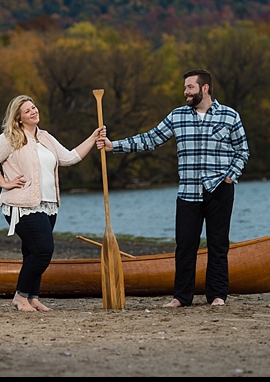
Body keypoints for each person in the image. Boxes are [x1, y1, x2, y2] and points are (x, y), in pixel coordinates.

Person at [96, 68, 249, 307]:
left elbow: (242, 151)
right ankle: (181, 297)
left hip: (220, 189)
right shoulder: (177, 116)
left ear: (204, 88)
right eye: (185, 87)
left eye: (190, 87)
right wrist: (114, 145)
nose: (185, 91)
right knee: (185, 245)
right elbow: (150, 138)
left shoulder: (230, 116)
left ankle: (217, 296)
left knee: (218, 244)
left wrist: (230, 176)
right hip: (188, 192)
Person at [0, 95, 103, 312]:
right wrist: (5, 183)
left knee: (31, 252)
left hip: (48, 205)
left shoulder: (45, 137)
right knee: (43, 250)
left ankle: (32, 297)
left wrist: (93, 138)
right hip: (21, 205)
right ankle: (20, 297)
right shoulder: (10, 137)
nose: (33, 112)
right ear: (18, 118)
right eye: (27, 111)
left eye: (33, 107)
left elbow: (69, 158)